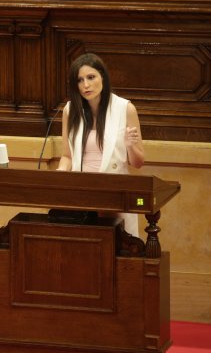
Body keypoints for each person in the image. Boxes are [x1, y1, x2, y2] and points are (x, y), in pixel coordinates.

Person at [56, 53, 145, 236]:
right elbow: (67, 156)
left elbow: (138, 163)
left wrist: (130, 146)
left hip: (114, 197)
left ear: (102, 76)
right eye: (80, 80)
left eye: (91, 77)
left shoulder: (125, 108)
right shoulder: (70, 110)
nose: (86, 85)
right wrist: (60, 175)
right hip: (82, 197)